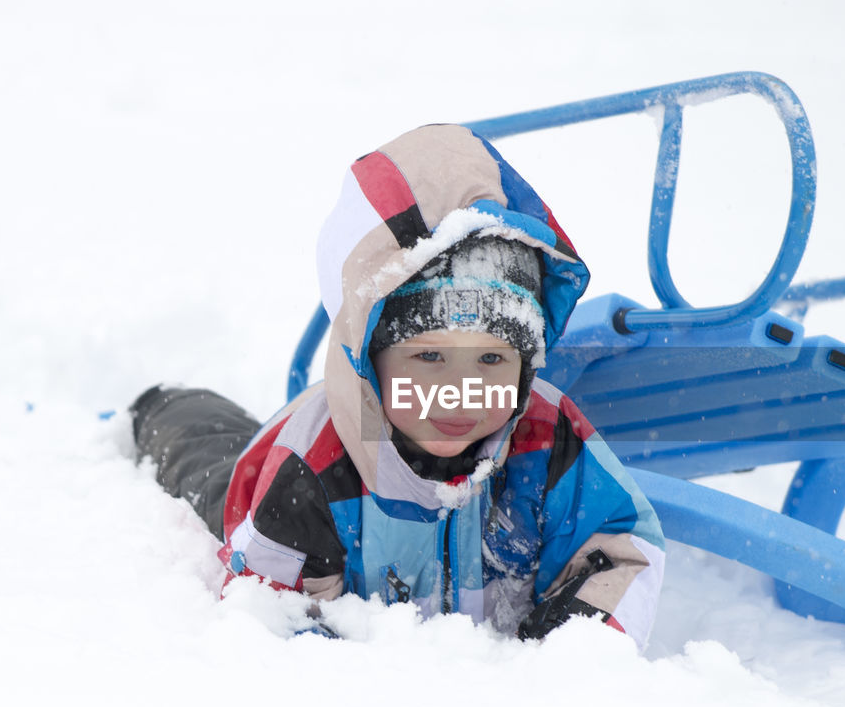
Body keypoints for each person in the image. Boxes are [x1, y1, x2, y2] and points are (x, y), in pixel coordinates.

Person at [130, 124, 665, 646]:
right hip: (267, 476)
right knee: (205, 458)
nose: (461, 390)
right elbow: (272, 614)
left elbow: (619, 549)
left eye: (492, 358)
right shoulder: (312, 468)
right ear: (372, 354)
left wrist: (561, 653)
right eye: (429, 355)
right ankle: (162, 403)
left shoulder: (548, 437)